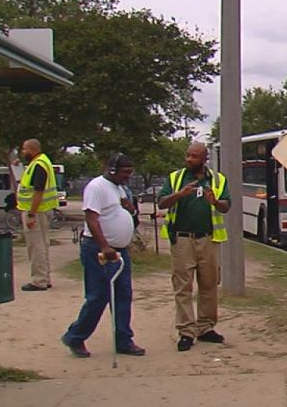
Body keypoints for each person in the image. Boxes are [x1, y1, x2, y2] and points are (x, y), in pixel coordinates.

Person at [61, 154, 146, 358]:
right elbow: (92, 218)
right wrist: (104, 246)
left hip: (121, 251)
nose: (128, 176)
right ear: (112, 169)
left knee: (123, 295)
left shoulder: (121, 188)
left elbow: (127, 214)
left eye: (130, 172)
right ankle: (75, 336)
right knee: (98, 297)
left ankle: (123, 340)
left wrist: (131, 210)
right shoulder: (96, 187)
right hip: (99, 250)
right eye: (125, 172)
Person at [158, 143, 231, 351]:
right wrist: (179, 194)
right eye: (188, 155)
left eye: (194, 156)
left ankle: (206, 328)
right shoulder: (175, 178)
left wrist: (215, 202)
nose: (189, 159)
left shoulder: (217, 179)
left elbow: (226, 206)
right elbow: (161, 203)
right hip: (182, 239)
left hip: (208, 239)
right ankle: (186, 332)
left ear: (204, 158)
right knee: (183, 286)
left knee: (209, 284)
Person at [17, 139, 58, 291]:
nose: (23, 152)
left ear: (32, 149)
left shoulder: (38, 165)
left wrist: (31, 214)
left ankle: (39, 280)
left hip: (36, 211)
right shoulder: (42, 162)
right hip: (42, 210)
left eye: (24, 149)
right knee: (42, 245)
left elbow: (38, 191)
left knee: (36, 246)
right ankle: (44, 278)